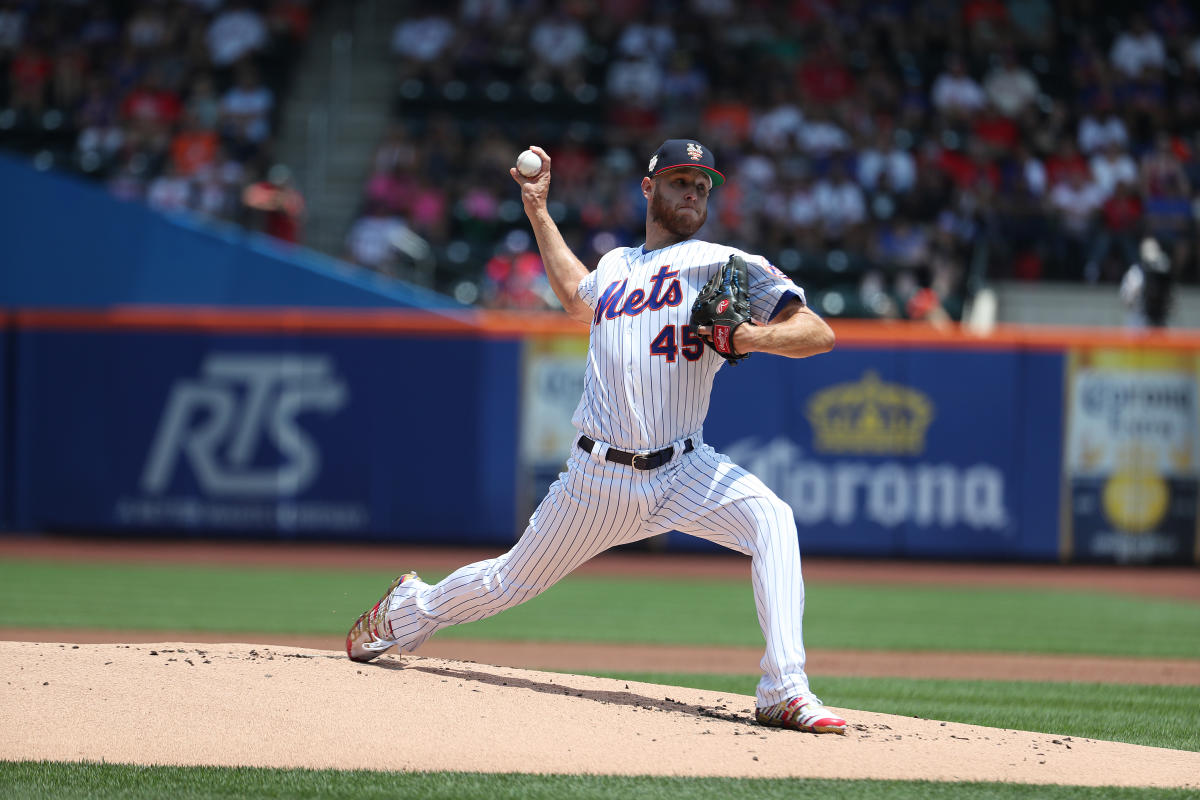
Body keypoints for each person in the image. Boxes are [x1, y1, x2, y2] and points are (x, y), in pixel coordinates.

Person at [345, 140, 846, 735]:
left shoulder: (725, 262)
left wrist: (749, 338)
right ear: (648, 188)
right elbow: (572, 296)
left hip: (684, 468)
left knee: (773, 520)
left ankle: (783, 689)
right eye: (681, 180)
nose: (692, 192)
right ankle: (408, 610)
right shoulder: (614, 266)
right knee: (508, 582)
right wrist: (537, 210)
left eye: (702, 185)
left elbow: (817, 332)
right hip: (596, 480)